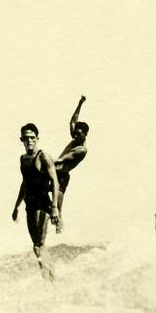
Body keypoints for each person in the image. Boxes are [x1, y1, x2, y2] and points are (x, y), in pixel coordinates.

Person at [12, 124, 60, 278]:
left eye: (32, 137)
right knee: (37, 246)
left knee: (39, 244)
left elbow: (55, 181)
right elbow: (24, 183)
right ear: (21, 140)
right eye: (26, 138)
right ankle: (49, 276)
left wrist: (54, 208)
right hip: (30, 205)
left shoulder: (43, 156)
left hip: (43, 203)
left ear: (37, 138)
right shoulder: (23, 159)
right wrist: (16, 206)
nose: (29, 140)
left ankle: (50, 280)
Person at [54, 95, 90, 229]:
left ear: (85, 134)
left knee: (58, 210)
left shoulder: (81, 149)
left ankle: (59, 226)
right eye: (74, 133)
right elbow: (72, 121)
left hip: (61, 176)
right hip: (55, 172)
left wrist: (43, 160)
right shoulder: (76, 138)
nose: (75, 135)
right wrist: (80, 103)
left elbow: (60, 160)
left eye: (78, 134)